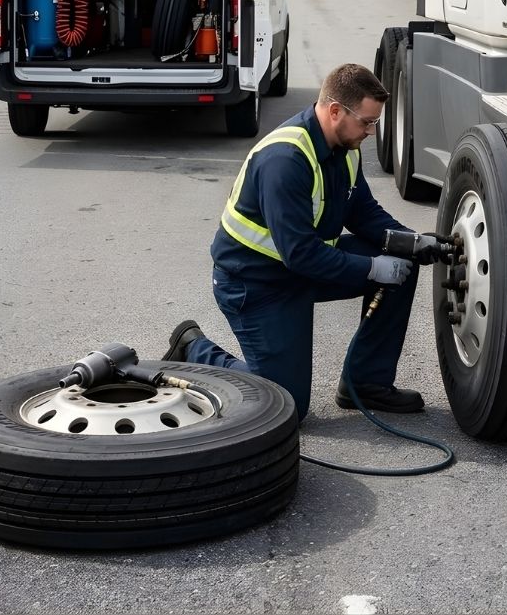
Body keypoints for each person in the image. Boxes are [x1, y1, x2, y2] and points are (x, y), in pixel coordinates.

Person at [162, 63, 446, 420]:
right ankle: (194, 350)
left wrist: (411, 242)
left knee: (400, 266)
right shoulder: (286, 160)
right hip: (256, 284)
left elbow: (362, 213)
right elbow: (300, 254)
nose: (371, 132)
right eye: (367, 122)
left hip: (300, 269)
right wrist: (372, 268)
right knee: (286, 406)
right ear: (334, 111)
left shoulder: (345, 145)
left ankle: (366, 383)